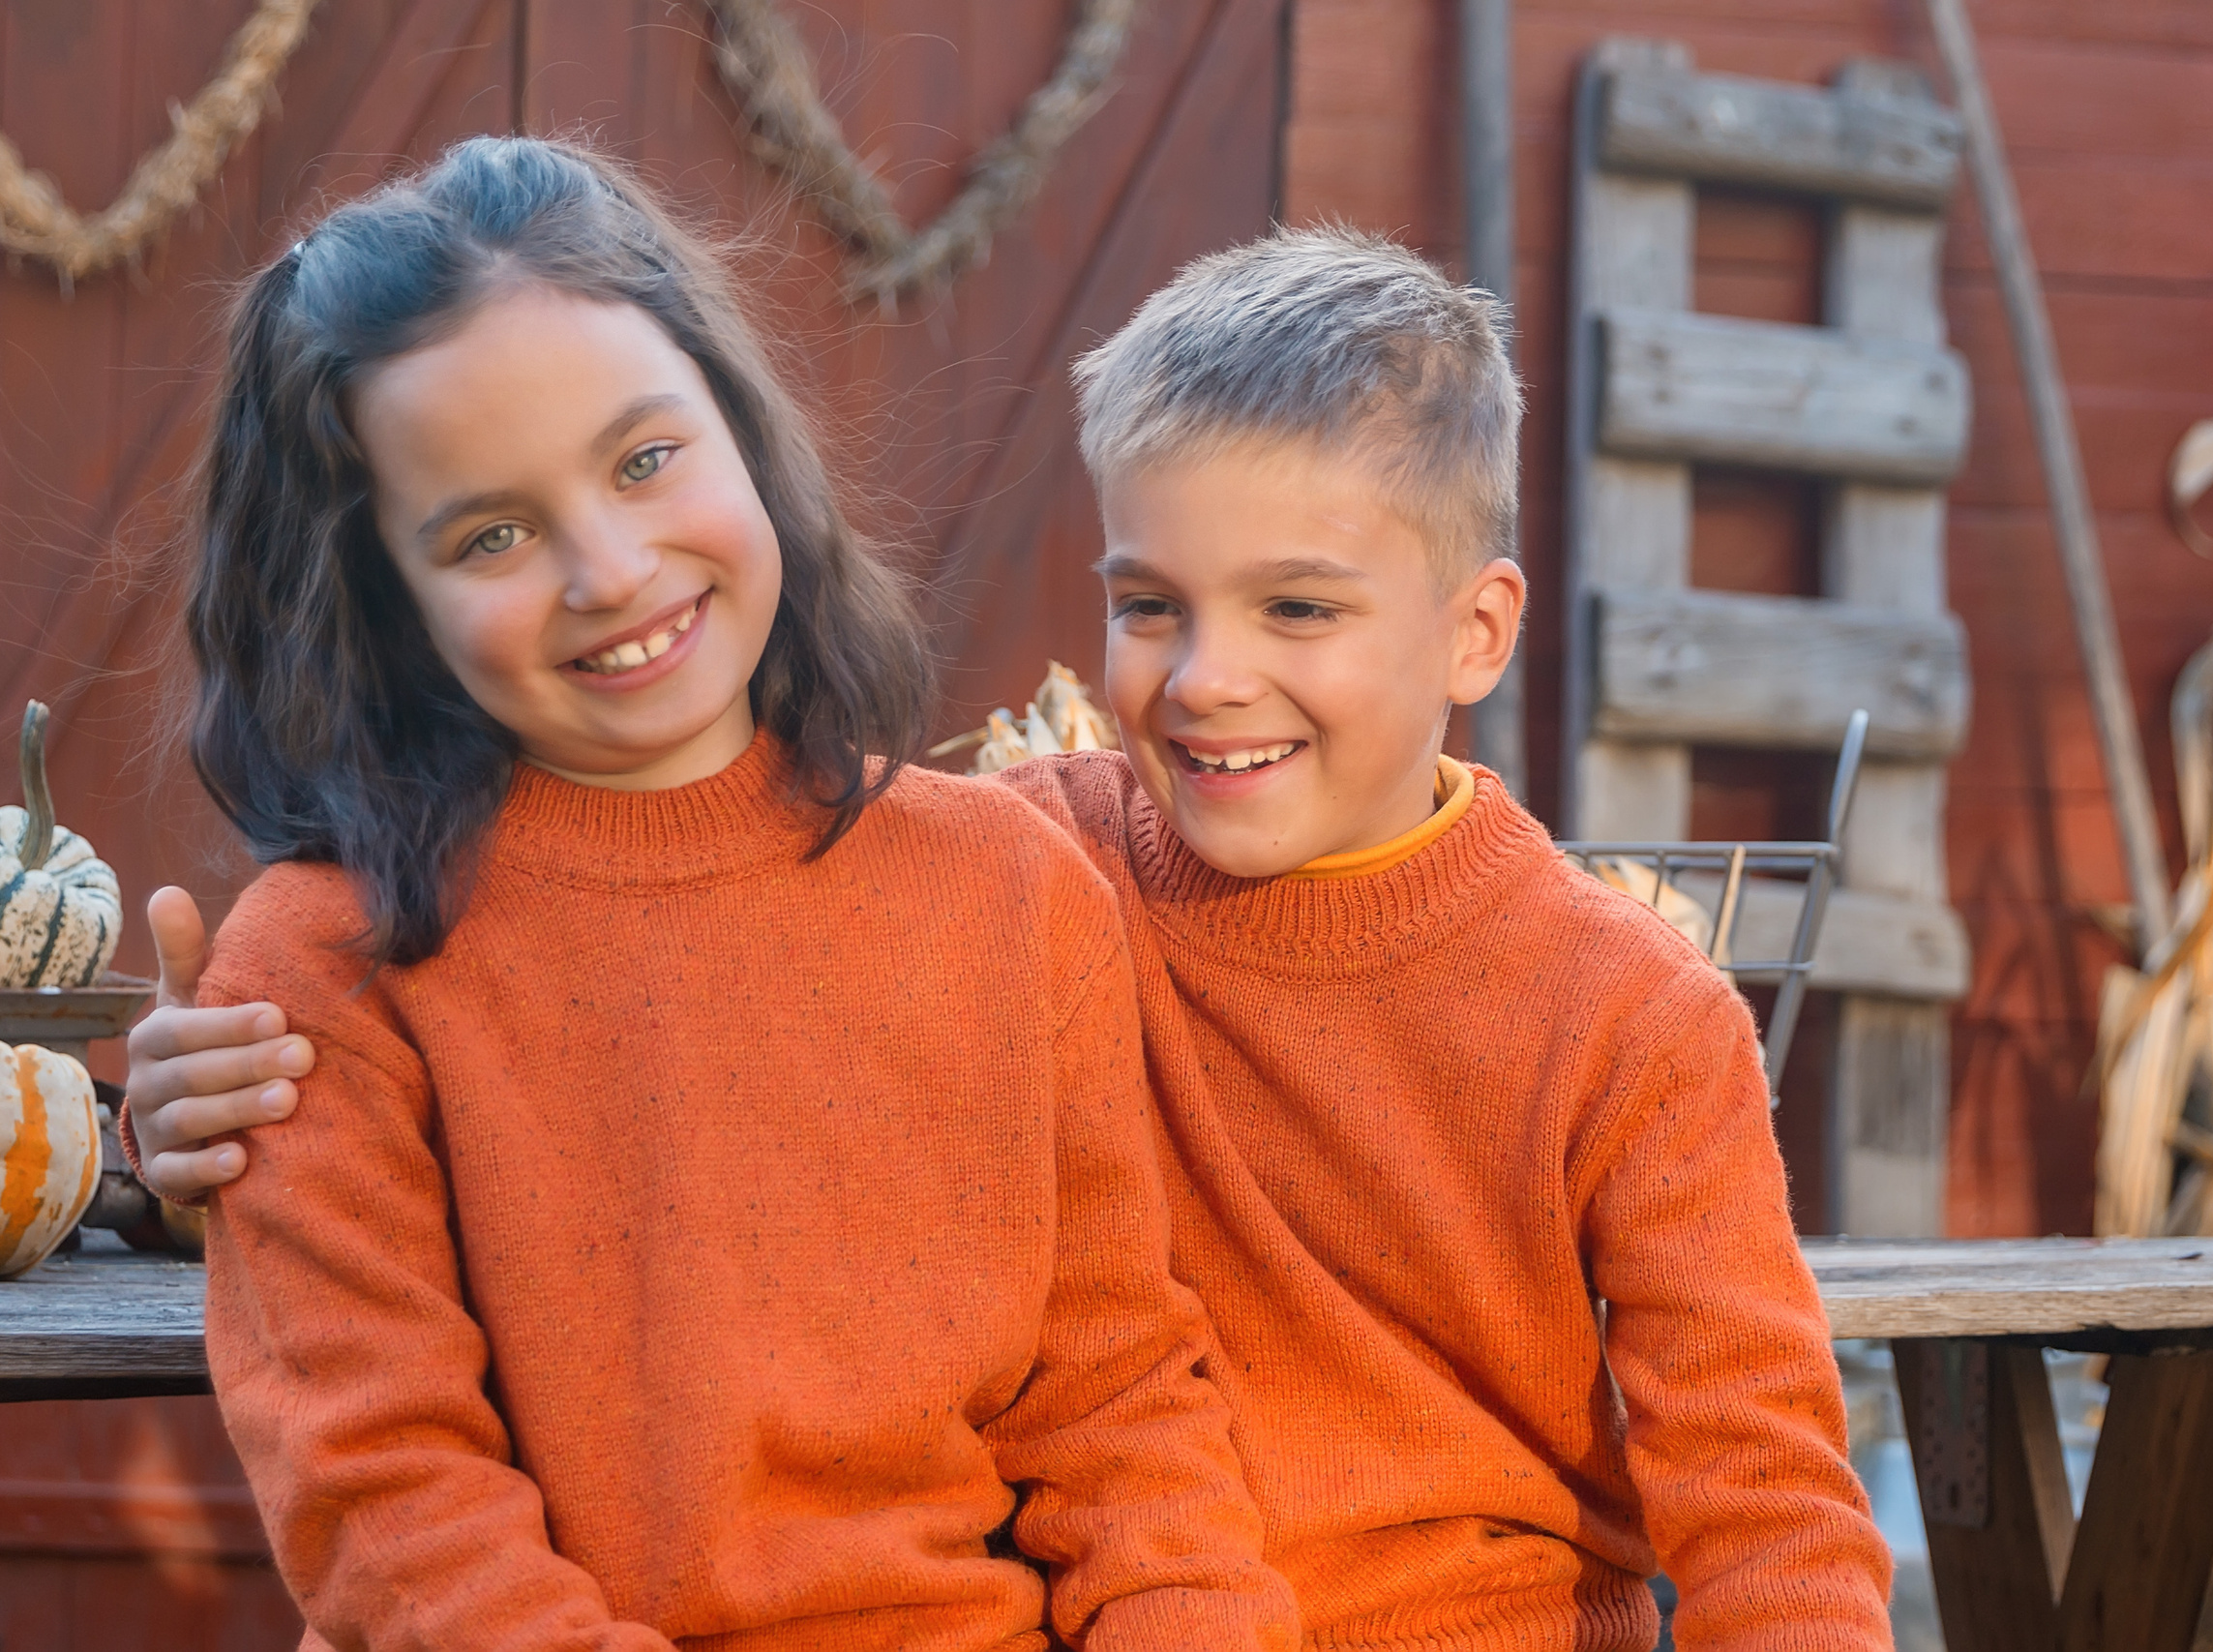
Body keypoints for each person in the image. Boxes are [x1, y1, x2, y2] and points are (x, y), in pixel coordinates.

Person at [130, 225, 1894, 1648]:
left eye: (1298, 607)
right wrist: (164, 1122)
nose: (1206, 680)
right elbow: (712, 935)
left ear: (1475, 629)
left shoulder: (1624, 1009)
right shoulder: (1041, 862)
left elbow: (1763, 1493)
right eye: (1149, 606)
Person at [143, 134, 1298, 1652]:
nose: (611, 569)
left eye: (644, 460)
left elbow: (1117, 1404)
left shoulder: (1010, 893)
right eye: (491, 534)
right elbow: (387, 1502)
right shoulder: (325, 969)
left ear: (739, 430)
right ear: (385, 597)